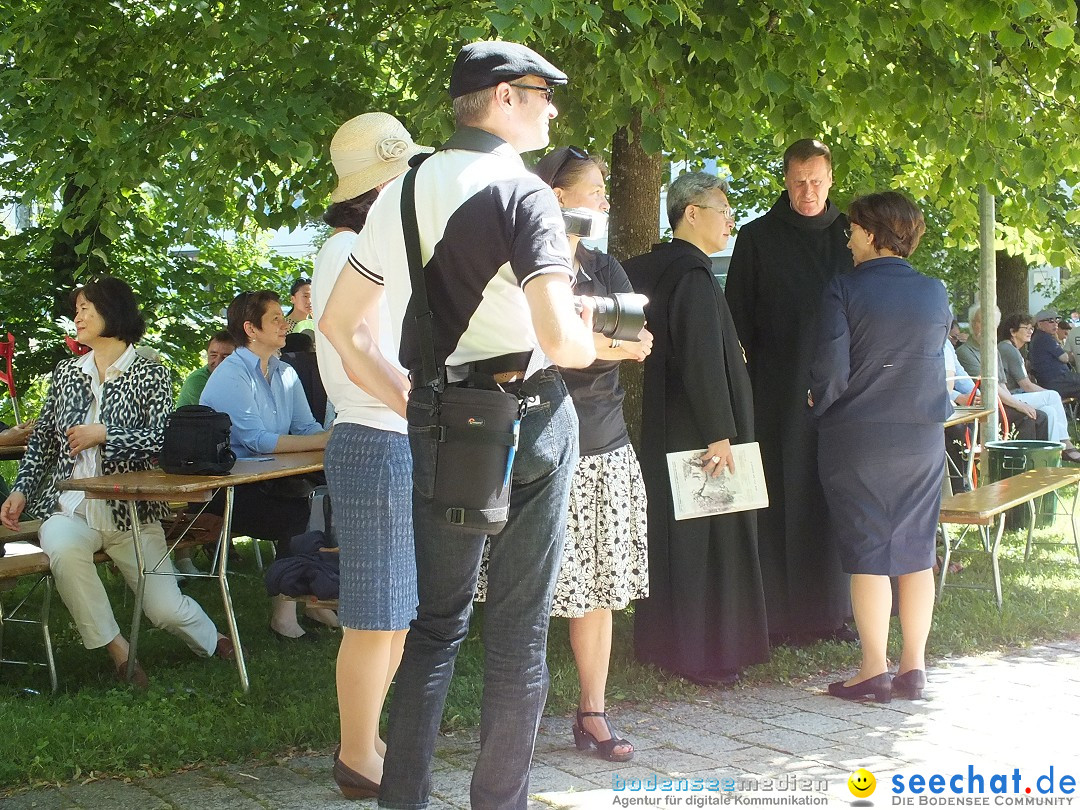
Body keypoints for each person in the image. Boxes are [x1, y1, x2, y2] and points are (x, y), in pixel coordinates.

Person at [320, 41, 596, 810]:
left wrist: (413, 400)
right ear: (505, 97)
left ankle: (400, 799)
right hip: (529, 419)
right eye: (543, 92)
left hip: (440, 420)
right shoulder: (527, 195)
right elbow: (563, 339)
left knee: (435, 627)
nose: (552, 106)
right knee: (516, 633)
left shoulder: (402, 191)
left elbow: (343, 326)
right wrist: (598, 338)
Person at [474, 146, 652, 761]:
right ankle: (512, 727)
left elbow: (642, 340)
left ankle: (593, 715)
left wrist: (596, 342)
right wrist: (603, 343)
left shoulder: (606, 268)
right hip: (541, 447)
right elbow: (537, 348)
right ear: (555, 197)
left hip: (605, 447)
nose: (604, 200)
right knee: (524, 592)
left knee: (598, 592)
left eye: (605, 189)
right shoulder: (523, 268)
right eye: (594, 189)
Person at [0, 277, 233, 688]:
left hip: (133, 512)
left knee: (163, 610)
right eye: (77, 309)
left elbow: (165, 438)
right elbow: (42, 444)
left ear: (114, 312)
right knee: (65, 550)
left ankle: (213, 640)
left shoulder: (150, 371)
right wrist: (20, 490)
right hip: (72, 510)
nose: (78, 316)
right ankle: (120, 652)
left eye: (86, 307)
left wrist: (106, 434)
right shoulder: (67, 373)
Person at [311, 111, 427, 798]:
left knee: (396, 614)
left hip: (392, 441)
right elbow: (361, 356)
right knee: (374, 614)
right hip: (375, 440)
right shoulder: (343, 250)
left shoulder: (372, 247)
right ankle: (358, 755)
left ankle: (369, 740)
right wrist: (424, 410)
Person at [623, 171, 770, 685]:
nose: (731, 220)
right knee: (706, 538)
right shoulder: (691, 275)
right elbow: (702, 359)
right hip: (701, 433)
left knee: (682, 534)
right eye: (723, 211)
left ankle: (673, 645)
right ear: (691, 213)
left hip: (677, 424)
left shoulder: (669, 268)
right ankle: (705, 652)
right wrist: (720, 433)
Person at [810, 192, 950, 704]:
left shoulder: (842, 288)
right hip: (921, 436)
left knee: (868, 552)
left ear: (871, 233)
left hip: (858, 437)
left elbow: (831, 369)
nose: (847, 239)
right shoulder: (935, 292)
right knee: (916, 551)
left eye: (851, 230)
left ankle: (873, 670)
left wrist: (815, 401)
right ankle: (913, 669)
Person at [724, 138, 854, 644]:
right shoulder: (757, 238)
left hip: (842, 394)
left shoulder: (852, 236)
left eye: (816, 182)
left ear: (830, 180)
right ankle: (778, 613)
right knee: (781, 499)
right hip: (776, 393)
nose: (807, 191)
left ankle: (833, 611)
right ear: (785, 180)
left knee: (833, 498)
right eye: (799, 182)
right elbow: (737, 321)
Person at [200, 290, 332, 640]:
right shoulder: (231, 374)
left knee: (326, 503)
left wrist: (327, 438)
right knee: (298, 516)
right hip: (226, 490)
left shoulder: (285, 371)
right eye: (275, 318)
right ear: (251, 329)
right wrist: (329, 440)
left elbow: (306, 428)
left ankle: (316, 598)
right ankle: (284, 616)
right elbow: (256, 440)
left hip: (270, 481)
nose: (284, 323)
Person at [996, 312, 1080, 463]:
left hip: (1016, 395)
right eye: (1026, 328)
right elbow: (1026, 385)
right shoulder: (1008, 349)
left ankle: (1053, 455)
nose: (1030, 331)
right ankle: (1066, 443)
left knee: (1051, 411)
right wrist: (1051, 395)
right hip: (1009, 398)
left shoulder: (1012, 348)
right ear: (1012, 331)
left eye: (1031, 328)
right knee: (1053, 397)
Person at [1029, 308, 1080, 398]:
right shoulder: (1045, 338)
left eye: (1057, 321)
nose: (1055, 324)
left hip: (1052, 381)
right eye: (1051, 321)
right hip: (1058, 381)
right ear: (1040, 324)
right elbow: (1065, 358)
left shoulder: (1037, 337)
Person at [176, 331, 237, 407]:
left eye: (225, 357)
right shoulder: (198, 380)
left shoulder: (239, 377)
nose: (218, 362)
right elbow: (216, 415)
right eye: (213, 355)